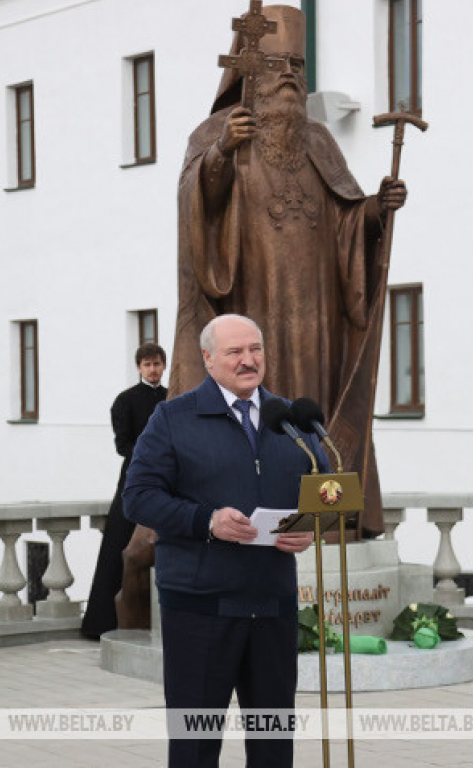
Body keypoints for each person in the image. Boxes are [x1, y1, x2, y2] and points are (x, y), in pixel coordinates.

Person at [169, 3, 406, 537]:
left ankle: (327, 516)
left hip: (317, 314)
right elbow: (196, 211)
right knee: (261, 405)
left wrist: (376, 210)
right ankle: (264, 515)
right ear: (249, 72)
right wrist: (221, 154)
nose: (291, 79)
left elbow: (345, 220)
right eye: (279, 67)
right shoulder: (216, 132)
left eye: (298, 67)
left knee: (311, 410)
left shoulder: (318, 140)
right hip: (252, 305)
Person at [125, 314, 319, 767]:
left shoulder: (291, 420)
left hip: (272, 605)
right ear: (208, 359)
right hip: (199, 609)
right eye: (235, 352)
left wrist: (311, 525)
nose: (249, 360)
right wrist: (205, 521)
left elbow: (323, 484)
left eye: (256, 349)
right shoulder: (172, 418)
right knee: (195, 747)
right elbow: (138, 497)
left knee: (273, 747)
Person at [81, 343, 167, 639]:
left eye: (157, 364)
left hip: (167, 480)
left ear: (164, 366)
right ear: (139, 368)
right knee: (117, 546)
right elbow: (123, 445)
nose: (153, 370)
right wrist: (150, 457)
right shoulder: (125, 400)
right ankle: (101, 624)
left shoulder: (172, 398)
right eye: (147, 365)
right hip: (134, 479)